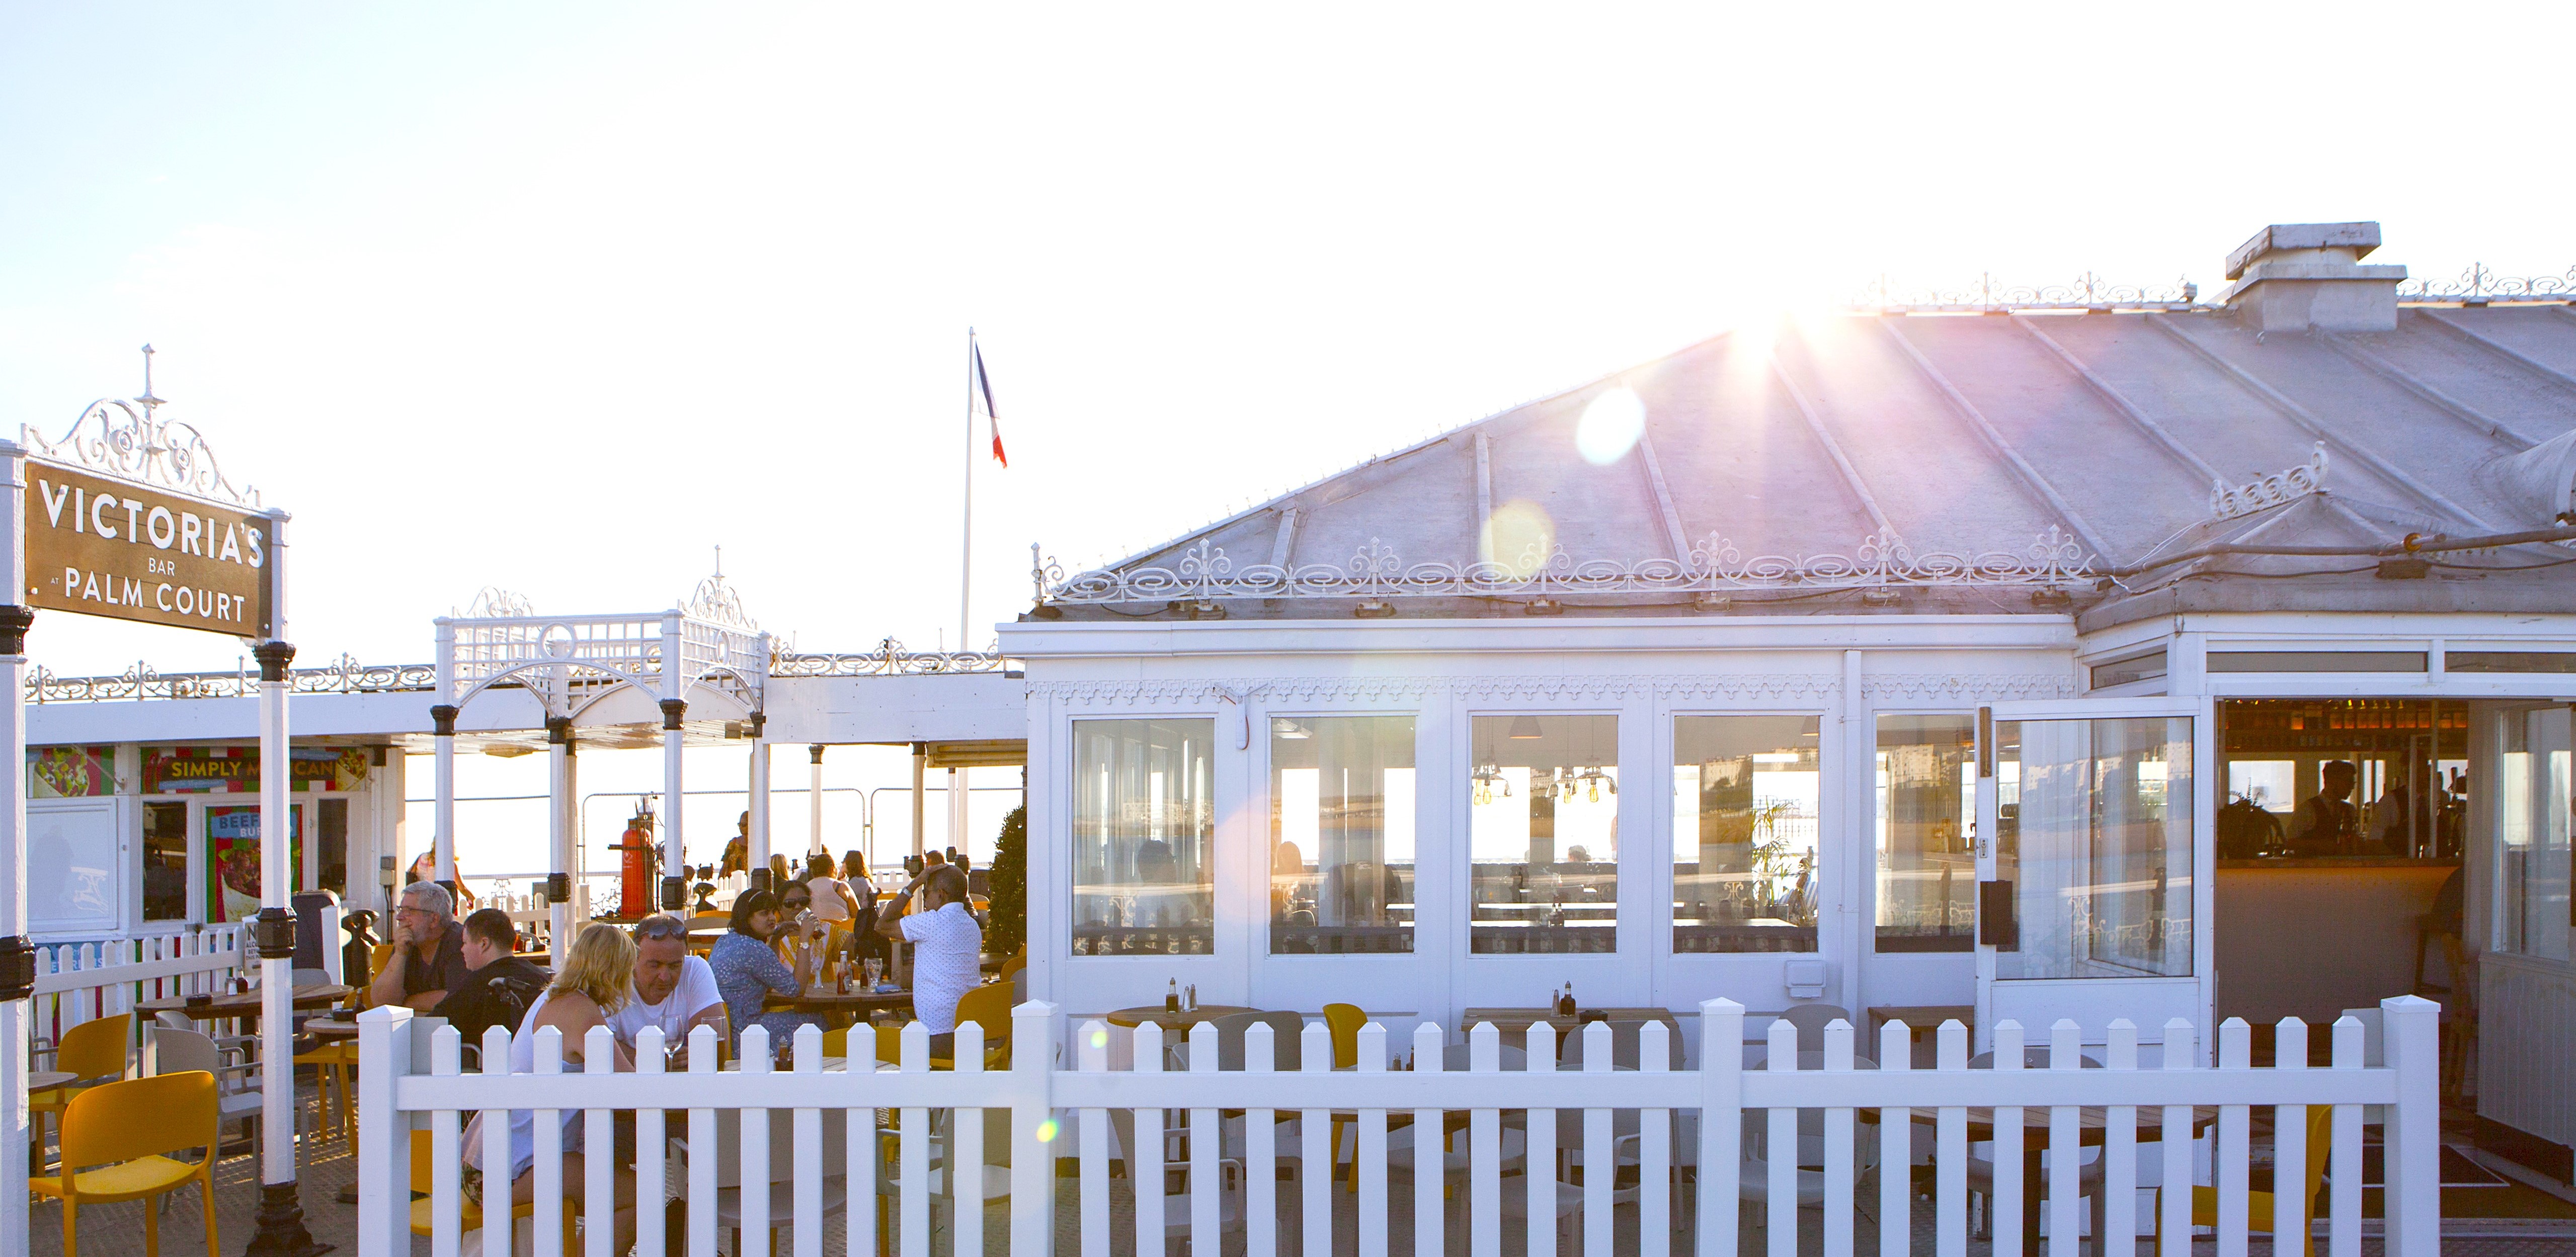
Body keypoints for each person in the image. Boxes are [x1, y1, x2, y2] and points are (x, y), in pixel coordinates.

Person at [486, 923, 639, 1253]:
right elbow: (632, 1089)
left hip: (493, 1160)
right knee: (642, 1197)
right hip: (516, 1166)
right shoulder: (581, 1012)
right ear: (617, 970)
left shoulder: (554, 997)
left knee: (615, 1180)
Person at [875, 864, 981, 1052]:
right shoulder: (972, 925)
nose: (924, 901)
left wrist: (914, 884)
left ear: (941, 894)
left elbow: (882, 925)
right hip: (970, 1030)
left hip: (937, 1030)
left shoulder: (931, 921)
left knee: (881, 1051)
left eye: (926, 895)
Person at [708, 890, 820, 1057]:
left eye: (773, 912)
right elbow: (796, 989)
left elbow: (767, 981)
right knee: (816, 1021)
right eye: (764, 913)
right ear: (747, 917)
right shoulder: (754, 948)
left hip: (726, 1031)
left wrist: (775, 940)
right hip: (747, 1033)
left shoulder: (725, 940)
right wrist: (804, 939)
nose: (772, 918)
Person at [608, 915, 726, 1063]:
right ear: (633, 959)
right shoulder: (614, 979)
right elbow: (599, 1048)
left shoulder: (695, 969)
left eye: (675, 966)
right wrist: (655, 1060)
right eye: (654, 965)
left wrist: (634, 1056)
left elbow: (712, 1046)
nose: (664, 977)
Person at [430, 908, 549, 1048]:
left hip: (486, 1065)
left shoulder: (476, 984)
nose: (462, 949)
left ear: (484, 944)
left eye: (466, 942)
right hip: (542, 1058)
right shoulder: (541, 977)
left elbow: (435, 1024)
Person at [372, 881, 469, 1012]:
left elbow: (456, 999)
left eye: (409, 911)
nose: (399, 917)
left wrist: (404, 1002)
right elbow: (381, 1002)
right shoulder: (408, 942)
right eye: (401, 910)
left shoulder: (460, 942)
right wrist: (400, 953)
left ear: (434, 919)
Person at [2293, 761, 2361, 855]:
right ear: (2332, 781)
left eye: (2353, 782)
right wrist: (2319, 845)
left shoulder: (2350, 810)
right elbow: (2290, 842)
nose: (2352, 787)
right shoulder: (2308, 809)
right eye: (2348, 781)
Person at [405, 850, 477, 910]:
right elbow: (462, 888)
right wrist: (473, 900)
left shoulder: (422, 858)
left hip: (421, 901)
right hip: (439, 903)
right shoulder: (448, 864)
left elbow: (411, 875)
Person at [804, 854, 862, 926]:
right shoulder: (840, 886)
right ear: (832, 868)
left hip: (815, 932)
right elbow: (858, 916)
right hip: (840, 931)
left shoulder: (806, 888)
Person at [719, 812, 751, 879]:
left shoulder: (756, 845)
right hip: (732, 881)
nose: (741, 827)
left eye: (744, 825)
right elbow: (725, 865)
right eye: (739, 825)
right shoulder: (733, 843)